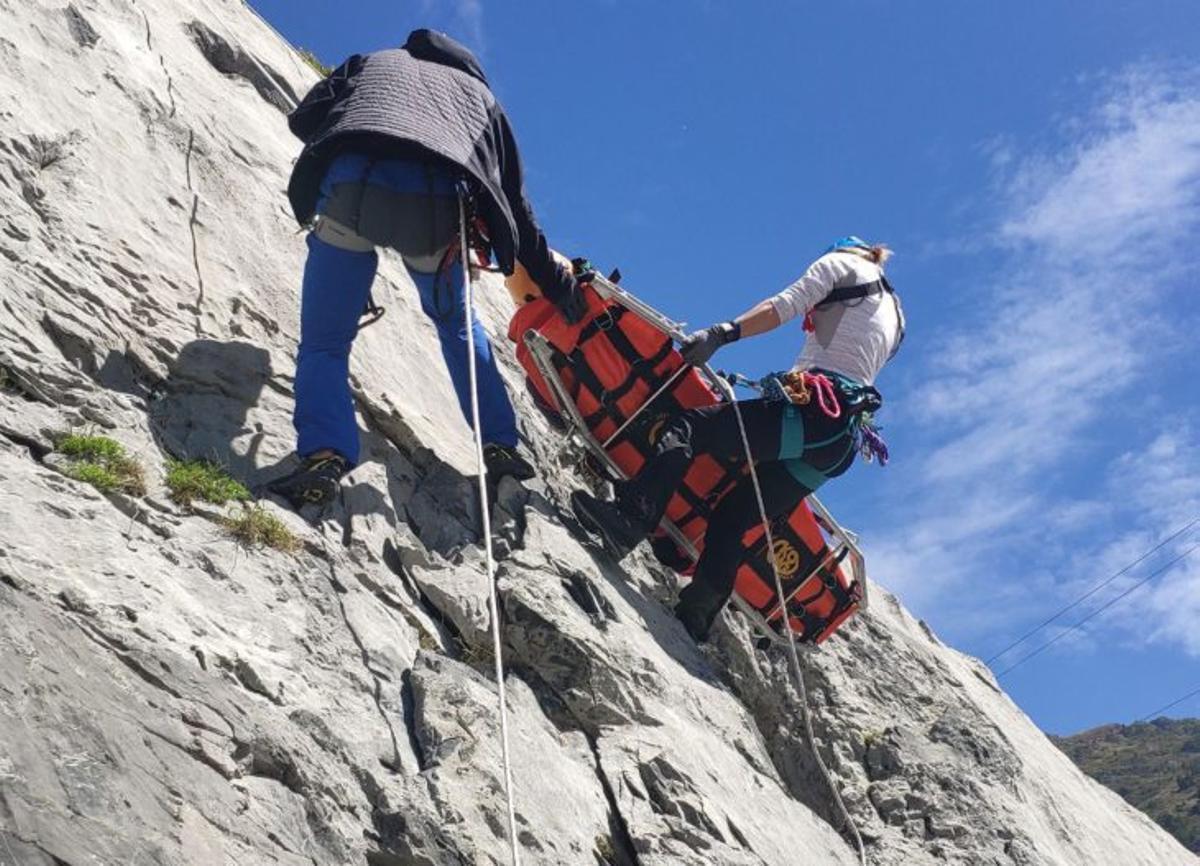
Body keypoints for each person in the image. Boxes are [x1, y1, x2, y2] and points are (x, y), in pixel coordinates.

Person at [266, 29, 585, 508]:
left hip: (352, 189)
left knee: (325, 341)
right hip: (434, 213)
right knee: (458, 327)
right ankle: (499, 447)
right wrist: (560, 286)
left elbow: (305, 118)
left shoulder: (373, 60)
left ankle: (323, 456)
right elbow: (517, 209)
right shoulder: (483, 100)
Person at [572, 237, 904, 641]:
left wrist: (722, 333)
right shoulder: (895, 312)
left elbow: (783, 305)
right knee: (734, 513)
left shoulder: (841, 264)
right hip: (841, 442)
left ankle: (630, 518)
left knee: (689, 428)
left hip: (815, 411)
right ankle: (698, 612)